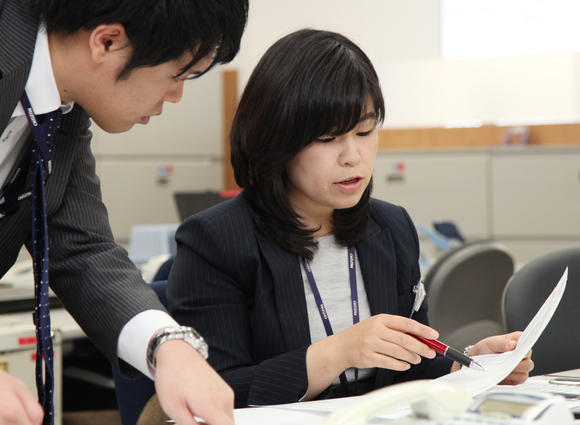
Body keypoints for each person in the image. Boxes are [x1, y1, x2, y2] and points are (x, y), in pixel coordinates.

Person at [167, 29, 533, 408]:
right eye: (328, 138)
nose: (353, 156)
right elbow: (215, 390)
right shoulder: (215, 239)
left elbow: (409, 369)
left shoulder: (390, 228)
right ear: (274, 139)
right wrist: (338, 352)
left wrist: (472, 364)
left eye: (364, 131)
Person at [0, 1, 248, 424]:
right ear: (108, 41)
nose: (176, 96)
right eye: (177, 76)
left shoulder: (61, 104)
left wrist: (167, 345)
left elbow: (82, 247)